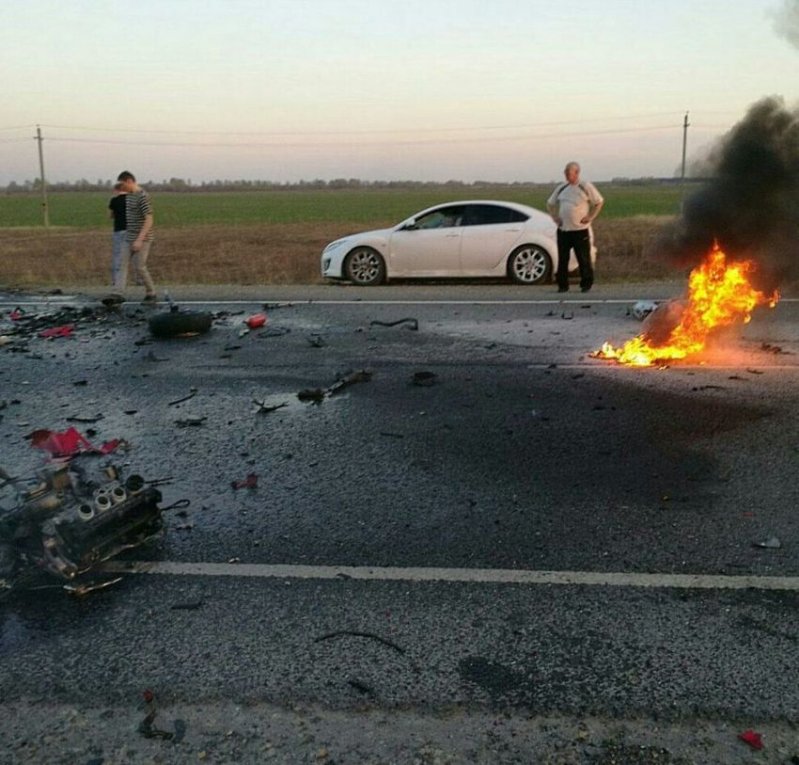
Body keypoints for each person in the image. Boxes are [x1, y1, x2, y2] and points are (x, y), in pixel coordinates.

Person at [546, 161, 604, 293]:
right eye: (565, 172)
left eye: (569, 173)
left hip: (580, 230)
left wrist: (590, 216)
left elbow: (599, 202)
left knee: (583, 258)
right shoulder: (561, 187)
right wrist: (554, 217)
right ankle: (562, 285)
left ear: (576, 173)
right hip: (564, 230)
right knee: (563, 258)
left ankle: (586, 283)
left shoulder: (585, 186)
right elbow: (549, 203)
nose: (566, 175)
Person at [114, 170, 157, 302]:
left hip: (143, 238)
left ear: (129, 181)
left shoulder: (142, 196)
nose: (121, 187)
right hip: (129, 236)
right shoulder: (129, 197)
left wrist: (139, 240)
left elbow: (149, 219)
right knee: (122, 264)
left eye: (122, 184)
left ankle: (151, 292)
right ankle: (117, 294)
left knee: (139, 267)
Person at [107, 182, 127, 287]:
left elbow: (110, 216)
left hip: (119, 230)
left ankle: (116, 280)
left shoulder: (114, 201)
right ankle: (139, 279)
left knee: (118, 256)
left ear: (117, 190)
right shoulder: (132, 200)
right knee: (135, 256)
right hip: (132, 230)